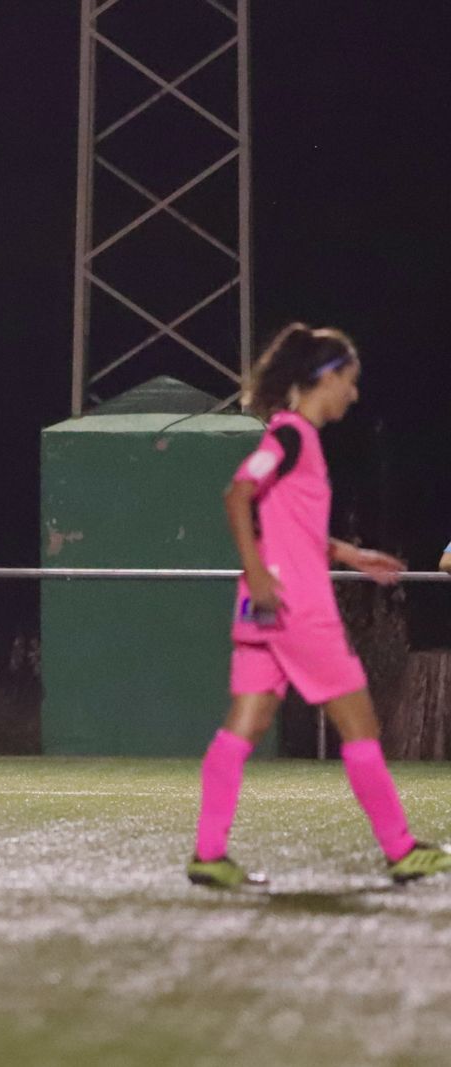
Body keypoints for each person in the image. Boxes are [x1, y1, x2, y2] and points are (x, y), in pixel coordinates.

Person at [188, 322, 451, 888]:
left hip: (263, 606)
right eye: (349, 382)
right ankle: (401, 849)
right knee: (361, 724)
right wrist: (259, 573)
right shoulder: (292, 436)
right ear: (324, 378)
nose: (353, 395)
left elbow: (293, 525)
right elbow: (238, 493)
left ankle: (208, 854)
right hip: (294, 606)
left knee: (246, 723)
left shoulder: (293, 439)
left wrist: (350, 554)